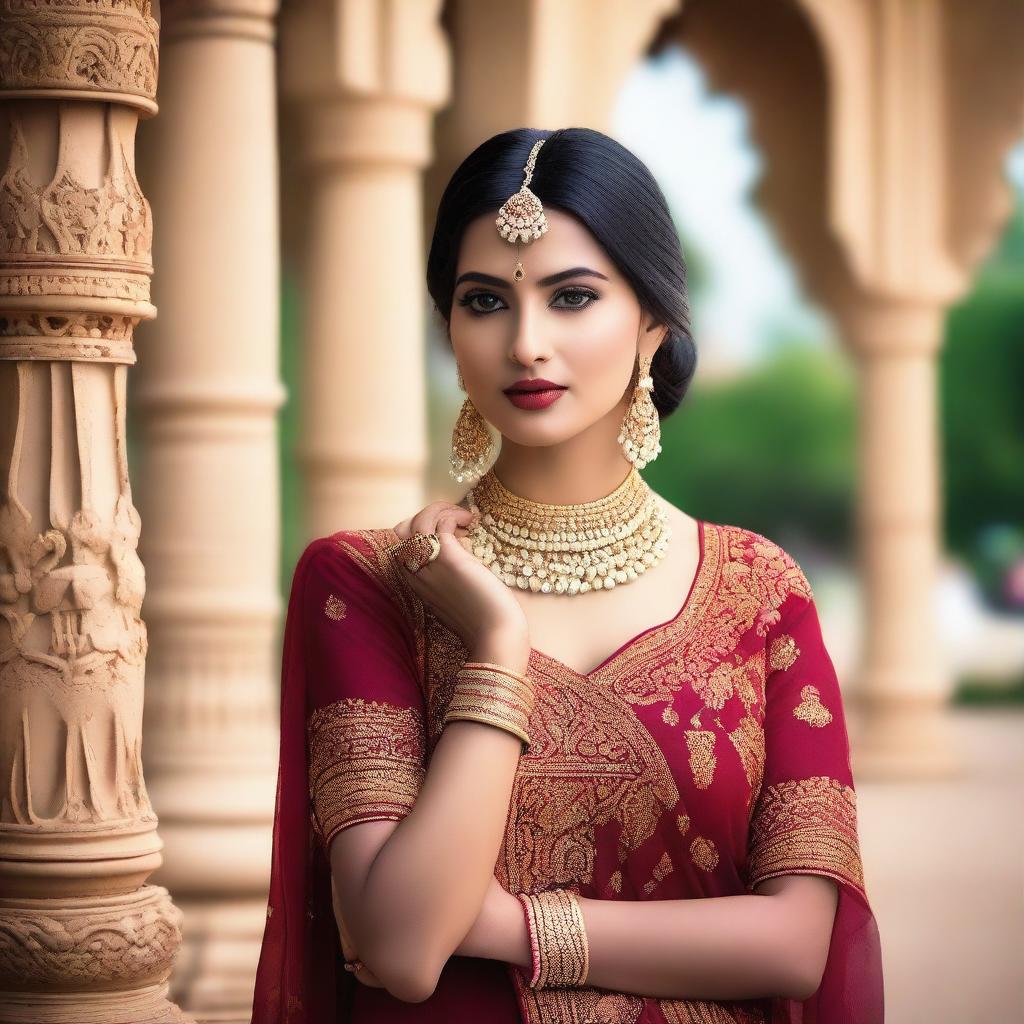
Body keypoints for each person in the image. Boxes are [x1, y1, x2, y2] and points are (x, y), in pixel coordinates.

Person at [250, 127, 884, 1024]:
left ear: (652, 326)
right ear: (449, 330)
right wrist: (499, 652)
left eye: (573, 297)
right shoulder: (369, 583)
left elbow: (795, 945)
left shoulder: (759, 591)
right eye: (485, 302)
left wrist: (515, 927)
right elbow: (399, 946)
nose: (526, 343)